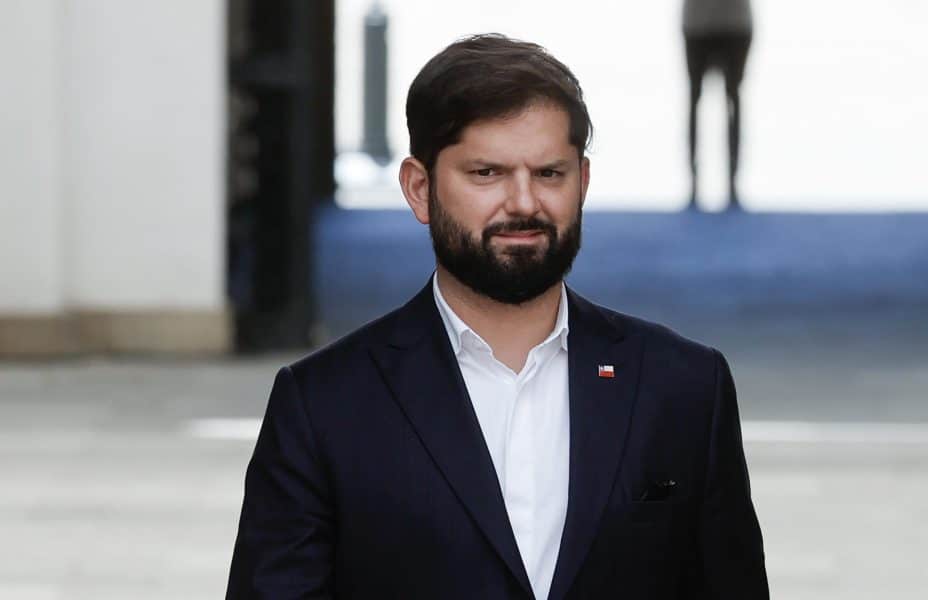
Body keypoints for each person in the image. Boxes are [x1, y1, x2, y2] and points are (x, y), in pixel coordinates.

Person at [226, 34, 768, 599]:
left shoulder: (682, 387)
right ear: (419, 188)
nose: (524, 202)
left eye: (550, 174)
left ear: (582, 184)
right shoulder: (322, 405)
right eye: (487, 173)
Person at [682, 0, 754, 210]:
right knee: (701, 100)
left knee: (729, 100)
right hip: (702, 21)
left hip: (731, 21)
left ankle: (732, 184)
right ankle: (695, 184)